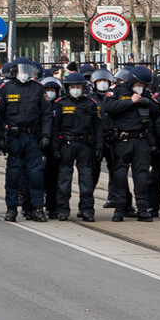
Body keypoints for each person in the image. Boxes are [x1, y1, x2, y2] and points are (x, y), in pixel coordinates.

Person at [99, 65, 158, 221]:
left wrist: (147, 102)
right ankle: (120, 209)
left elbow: (157, 111)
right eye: (139, 85)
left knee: (142, 176)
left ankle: (143, 209)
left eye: (143, 85)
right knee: (119, 176)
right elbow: (108, 107)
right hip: (122, 140)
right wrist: (130, 102)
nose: (141, 88)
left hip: (140, 140)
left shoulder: (146, 93)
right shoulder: (117, 91)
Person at [0, 58, 48, 221]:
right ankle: (11, 209)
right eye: (21, 70)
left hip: (33, 137)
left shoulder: (38, 89)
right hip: (14, 138)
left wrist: (46, 136)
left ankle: (37, 208)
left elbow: (46, 114)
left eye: (27, 70)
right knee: (13, 175)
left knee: (36, 175)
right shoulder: (5, 88)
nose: (24, 74)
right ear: (14, 71)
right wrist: (0, 138)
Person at [52, 70, 102, 221]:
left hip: (85, 145)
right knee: (64, 179)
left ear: (83, 87)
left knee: (86, 179)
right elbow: (54, 128)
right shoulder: (60, 104)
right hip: (66, 144)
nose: (75, 89)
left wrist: (99, 147)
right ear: (67, 88)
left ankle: (87, 210)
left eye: (78, 86)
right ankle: (63, 210)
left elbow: (98, 128)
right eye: (72, 86)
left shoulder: (91, 104)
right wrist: (55, 148)